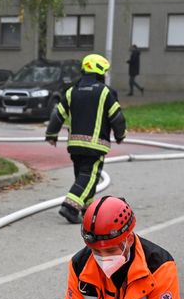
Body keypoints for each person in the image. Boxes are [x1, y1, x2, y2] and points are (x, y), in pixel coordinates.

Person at [45, 54, 127, 225]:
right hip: (95, 146)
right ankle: (70, 207)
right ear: (100, 72)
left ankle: (87, 210)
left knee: (82, 177)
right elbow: (117, 118)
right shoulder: (105, 92)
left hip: (75, 145)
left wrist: (51, 134)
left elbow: (58, 115)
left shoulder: (71, 91)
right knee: (89, 178)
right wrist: (120, 135)